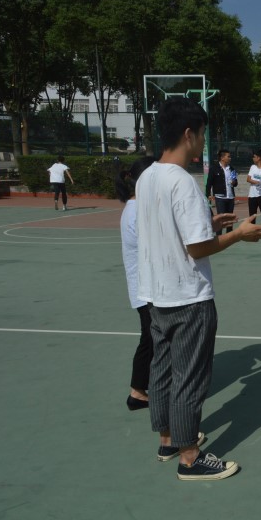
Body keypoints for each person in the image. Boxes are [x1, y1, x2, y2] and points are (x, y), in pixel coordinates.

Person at [136, 97, 261, 481]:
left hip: (157, 293)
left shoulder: (147, 177)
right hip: (188, 297)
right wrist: (238, 234)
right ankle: (190, 457)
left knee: (162, 370)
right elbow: (197, 249)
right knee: (189, 377)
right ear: (188, 134)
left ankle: (168, 440)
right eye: (203, 134)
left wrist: (209, 223)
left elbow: (171, 230)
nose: (203, 142)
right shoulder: (183, 182)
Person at [115, 156, 156, 411]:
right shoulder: (138, 211)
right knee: (151, 338)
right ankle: (138, 391)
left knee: (152, 338)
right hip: (146, 288)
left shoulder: (136, 207)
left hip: (146, 286)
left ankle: (139, 390)